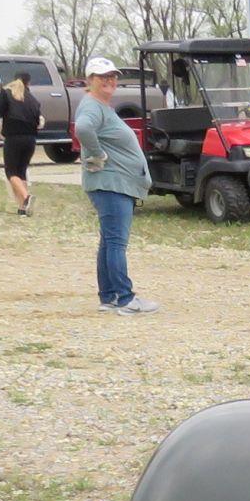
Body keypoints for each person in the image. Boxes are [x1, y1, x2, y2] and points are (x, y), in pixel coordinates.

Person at [75, 56, 156, 314]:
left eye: (112, 76)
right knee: (116, 242)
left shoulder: (100, 106)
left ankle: (108, 296)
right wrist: (96, 154)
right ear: (90, 81)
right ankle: (125, 298)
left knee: (109, 241)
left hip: (113, 183)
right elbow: (83, 128)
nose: (109, 80)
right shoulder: (92, 107)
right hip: (111, 183)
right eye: (102, 76)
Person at [0, 71, 43, 214]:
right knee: (21, 172)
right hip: (30, 140)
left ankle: (27, 198)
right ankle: (22, 208)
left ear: (15, 80)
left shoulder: (6, 93)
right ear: (29, 83)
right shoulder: (33, 100)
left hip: (14, 138)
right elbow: (38, 121)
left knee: (11, 173)